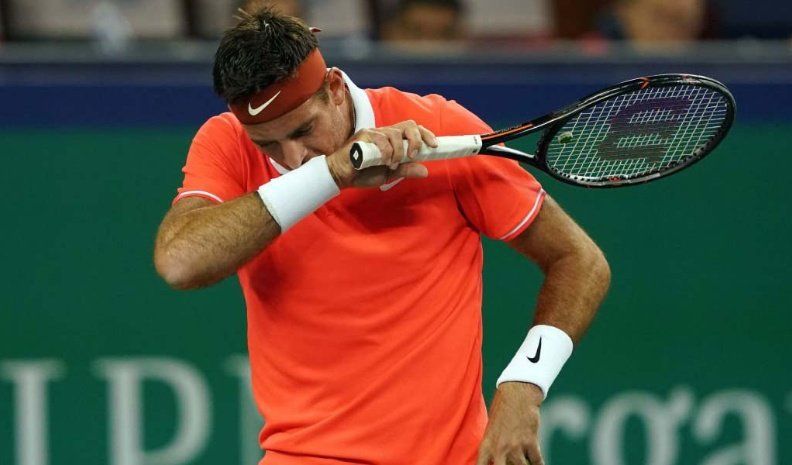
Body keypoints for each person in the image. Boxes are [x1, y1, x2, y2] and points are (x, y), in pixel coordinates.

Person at [153, 7, 610, 465]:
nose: (293, 158)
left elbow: (579, 260)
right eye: (267, 144)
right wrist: (332, 173)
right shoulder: (227, 143)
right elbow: (180, 262)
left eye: (304, 130)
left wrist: (524, 385)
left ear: (334, 89)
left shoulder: (439, 126)